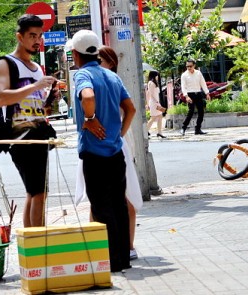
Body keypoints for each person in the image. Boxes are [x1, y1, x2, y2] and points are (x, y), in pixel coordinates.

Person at [68, 30, 136, 272]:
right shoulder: (111, 76)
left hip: (94, 153)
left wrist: (90, 118)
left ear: (76, 54)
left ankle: (109, 261)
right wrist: (119, 133)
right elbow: (131, 109)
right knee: (118, 204)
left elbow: (87, 96)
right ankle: (122, 258)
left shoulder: (83, 74)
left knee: (101, 206)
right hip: (115, 152)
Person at [0, 14, 57, 228]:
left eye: (39, 36)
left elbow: (38, 107)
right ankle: (39, 244)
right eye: (32, 35)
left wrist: (49, 99)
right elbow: (1, 98)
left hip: (39, 135)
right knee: (38, 192)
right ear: (19, 36)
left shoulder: (37, 68)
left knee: (36, 192)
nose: (37, 41)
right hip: (20, 137)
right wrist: (35, 86)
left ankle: (33, 247)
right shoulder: (6, 63)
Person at [98, 45, 140, 260]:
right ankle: (107, 246)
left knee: (123, 196)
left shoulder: (113, 82)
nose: (96, 65)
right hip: (108, 143)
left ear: (111, 63)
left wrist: (120, 134)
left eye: (100, 61)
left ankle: (129, 245)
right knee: (101, 197)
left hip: (117, 144)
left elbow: (130, 110)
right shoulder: (100, 81)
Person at [180, 58, 211, 135]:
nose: (189, 68)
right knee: (190, 112)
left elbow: (203, 83)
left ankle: (198, 129)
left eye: (190, 66)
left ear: (194, 65)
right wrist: (186, 96)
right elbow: (183, 87)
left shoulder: (198, 73)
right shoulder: (184, 75)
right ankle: (183, 128)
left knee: (201, 112)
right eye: (187, 66)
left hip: (198, 93)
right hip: (190, 94)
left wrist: (207, 93)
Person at [145, 70, 166, 138]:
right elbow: (150, 93)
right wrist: (156, 102)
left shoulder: (154, 83)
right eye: (157, 75)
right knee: (153, 117)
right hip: (154, 102)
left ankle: (159, 132)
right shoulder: (151, 83)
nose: (157, 77)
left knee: (160, 116)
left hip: (156, 102)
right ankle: (146, 131)